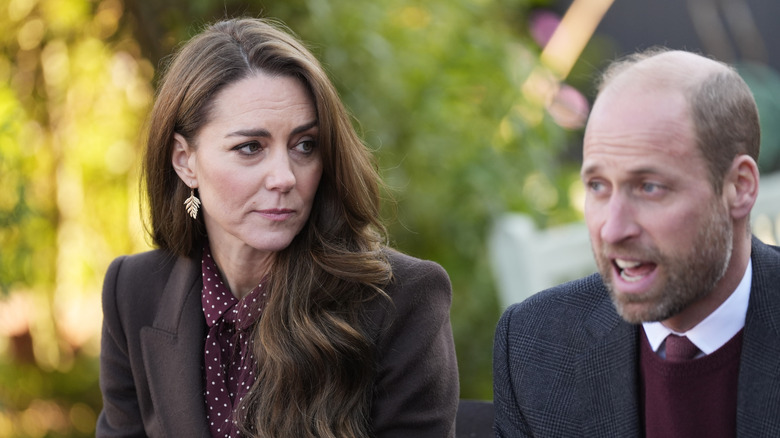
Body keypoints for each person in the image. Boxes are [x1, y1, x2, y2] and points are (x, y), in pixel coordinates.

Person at [97, 17, 459, 438]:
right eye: (250, 148)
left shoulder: (401, 300)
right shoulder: (133, 292)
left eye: (304, 145)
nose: (285, 177)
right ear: (185, 161)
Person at [493, 48, 780, 437]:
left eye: (649, 187)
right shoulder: (536, 345)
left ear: (739, 187)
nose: (613, 230)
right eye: (598, 186)